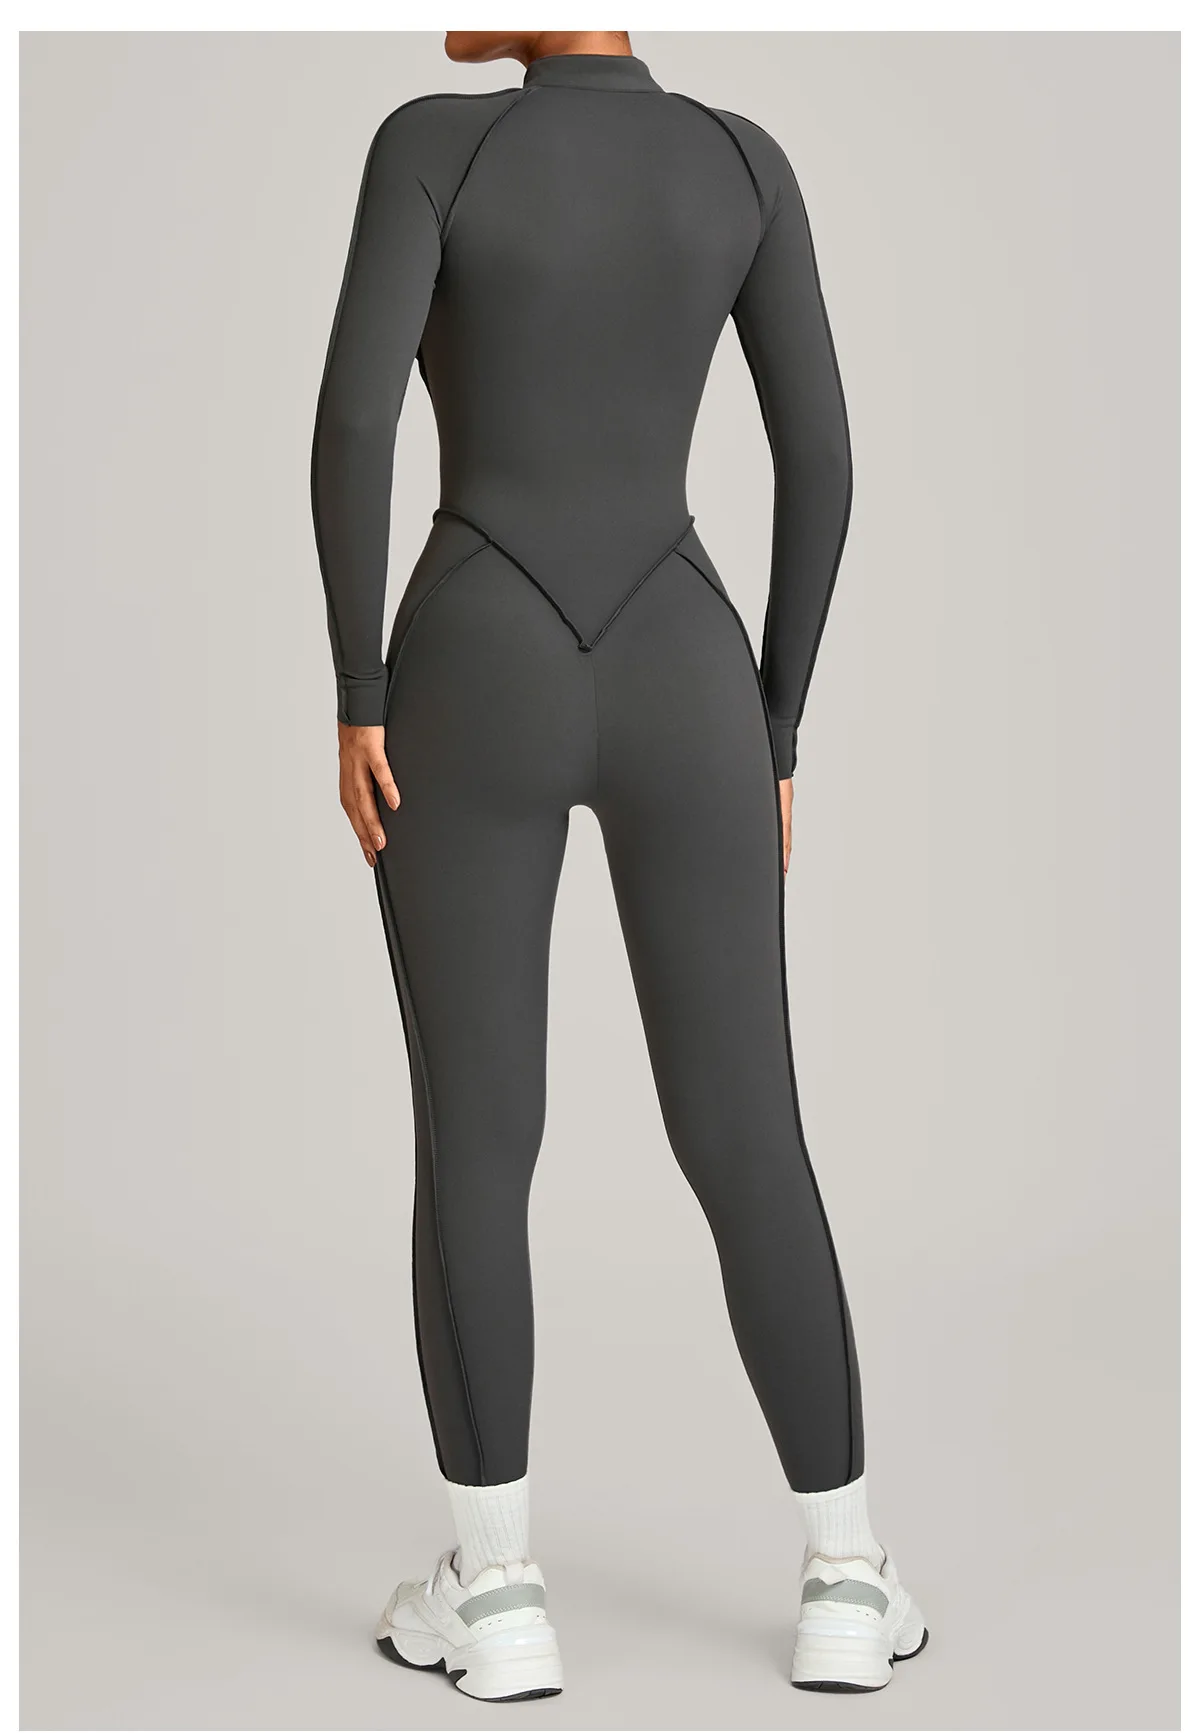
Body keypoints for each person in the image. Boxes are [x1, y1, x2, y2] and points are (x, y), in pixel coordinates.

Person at [311, 28, 926, 1700]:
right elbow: (825, 456)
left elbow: (357, 416)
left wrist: (360, 690)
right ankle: (849, 1576)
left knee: (479, 1135)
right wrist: (775, 721)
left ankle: (499, 1595)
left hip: (474, 661)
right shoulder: (741, 161)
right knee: (747, 1129)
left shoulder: (432, 141)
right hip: (683, 667)